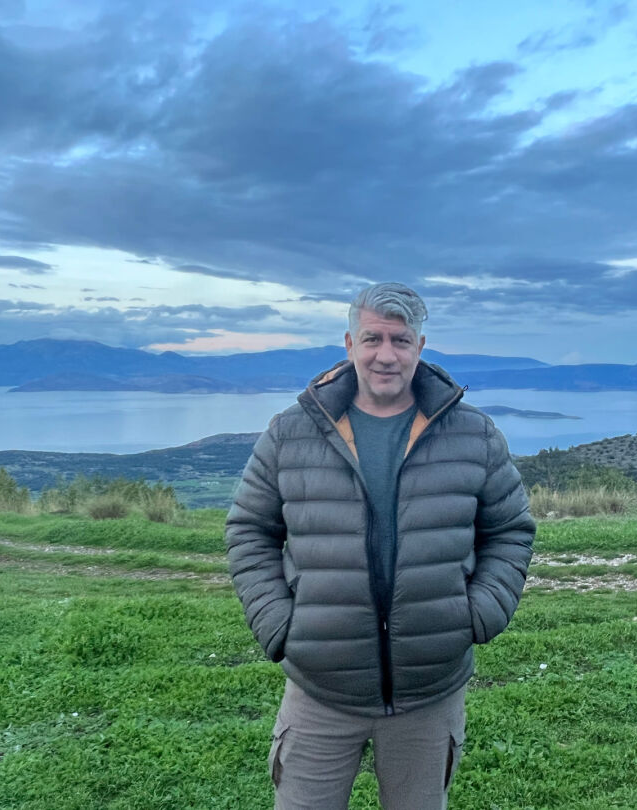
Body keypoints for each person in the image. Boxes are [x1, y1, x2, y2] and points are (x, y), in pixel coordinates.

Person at [226, 282, 535, 809]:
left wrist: (479, 614)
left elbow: (509, 530)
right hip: (320, 688)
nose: (386, 355)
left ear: (420, 346)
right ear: (350, 344)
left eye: (400, 340)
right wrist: (279, 623)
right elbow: (249, 529)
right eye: (373, 339)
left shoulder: (473, 434)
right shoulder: (291, 432)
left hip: (430, 690)